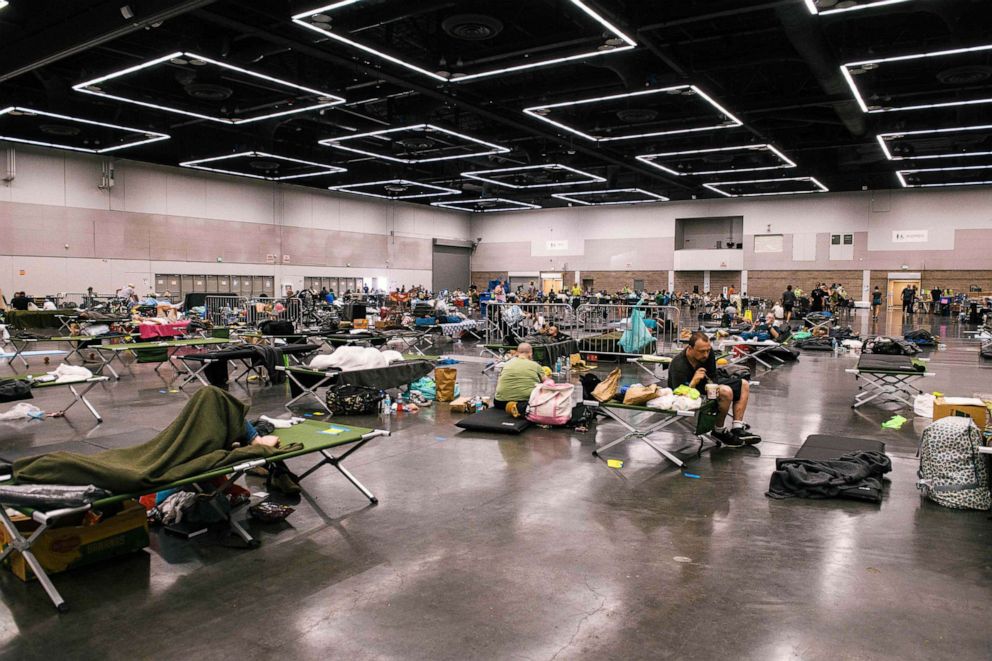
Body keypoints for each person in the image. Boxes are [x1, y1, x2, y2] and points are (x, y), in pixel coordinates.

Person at [668, 332, 759, 446]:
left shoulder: (707, 353)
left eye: (707, 350)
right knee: (726, 392)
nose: (706, 354)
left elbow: (713, 376)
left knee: (744, 384)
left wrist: (714, 388)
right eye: (702, 351)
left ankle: (737, 427)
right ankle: (719, 431)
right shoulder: (679, 365)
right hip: (686, 392)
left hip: (705, 385)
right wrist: (694, 382)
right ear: (690, 348)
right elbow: (678, 396)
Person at [494, 342, 545, 418]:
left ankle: (513, 406)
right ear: (530, 353)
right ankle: (517, 407)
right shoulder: (535, 365)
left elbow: (499, 381)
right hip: (524, 401)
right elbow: (547, 383)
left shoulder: (507, 364)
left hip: (499, 402)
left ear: (517, 352)